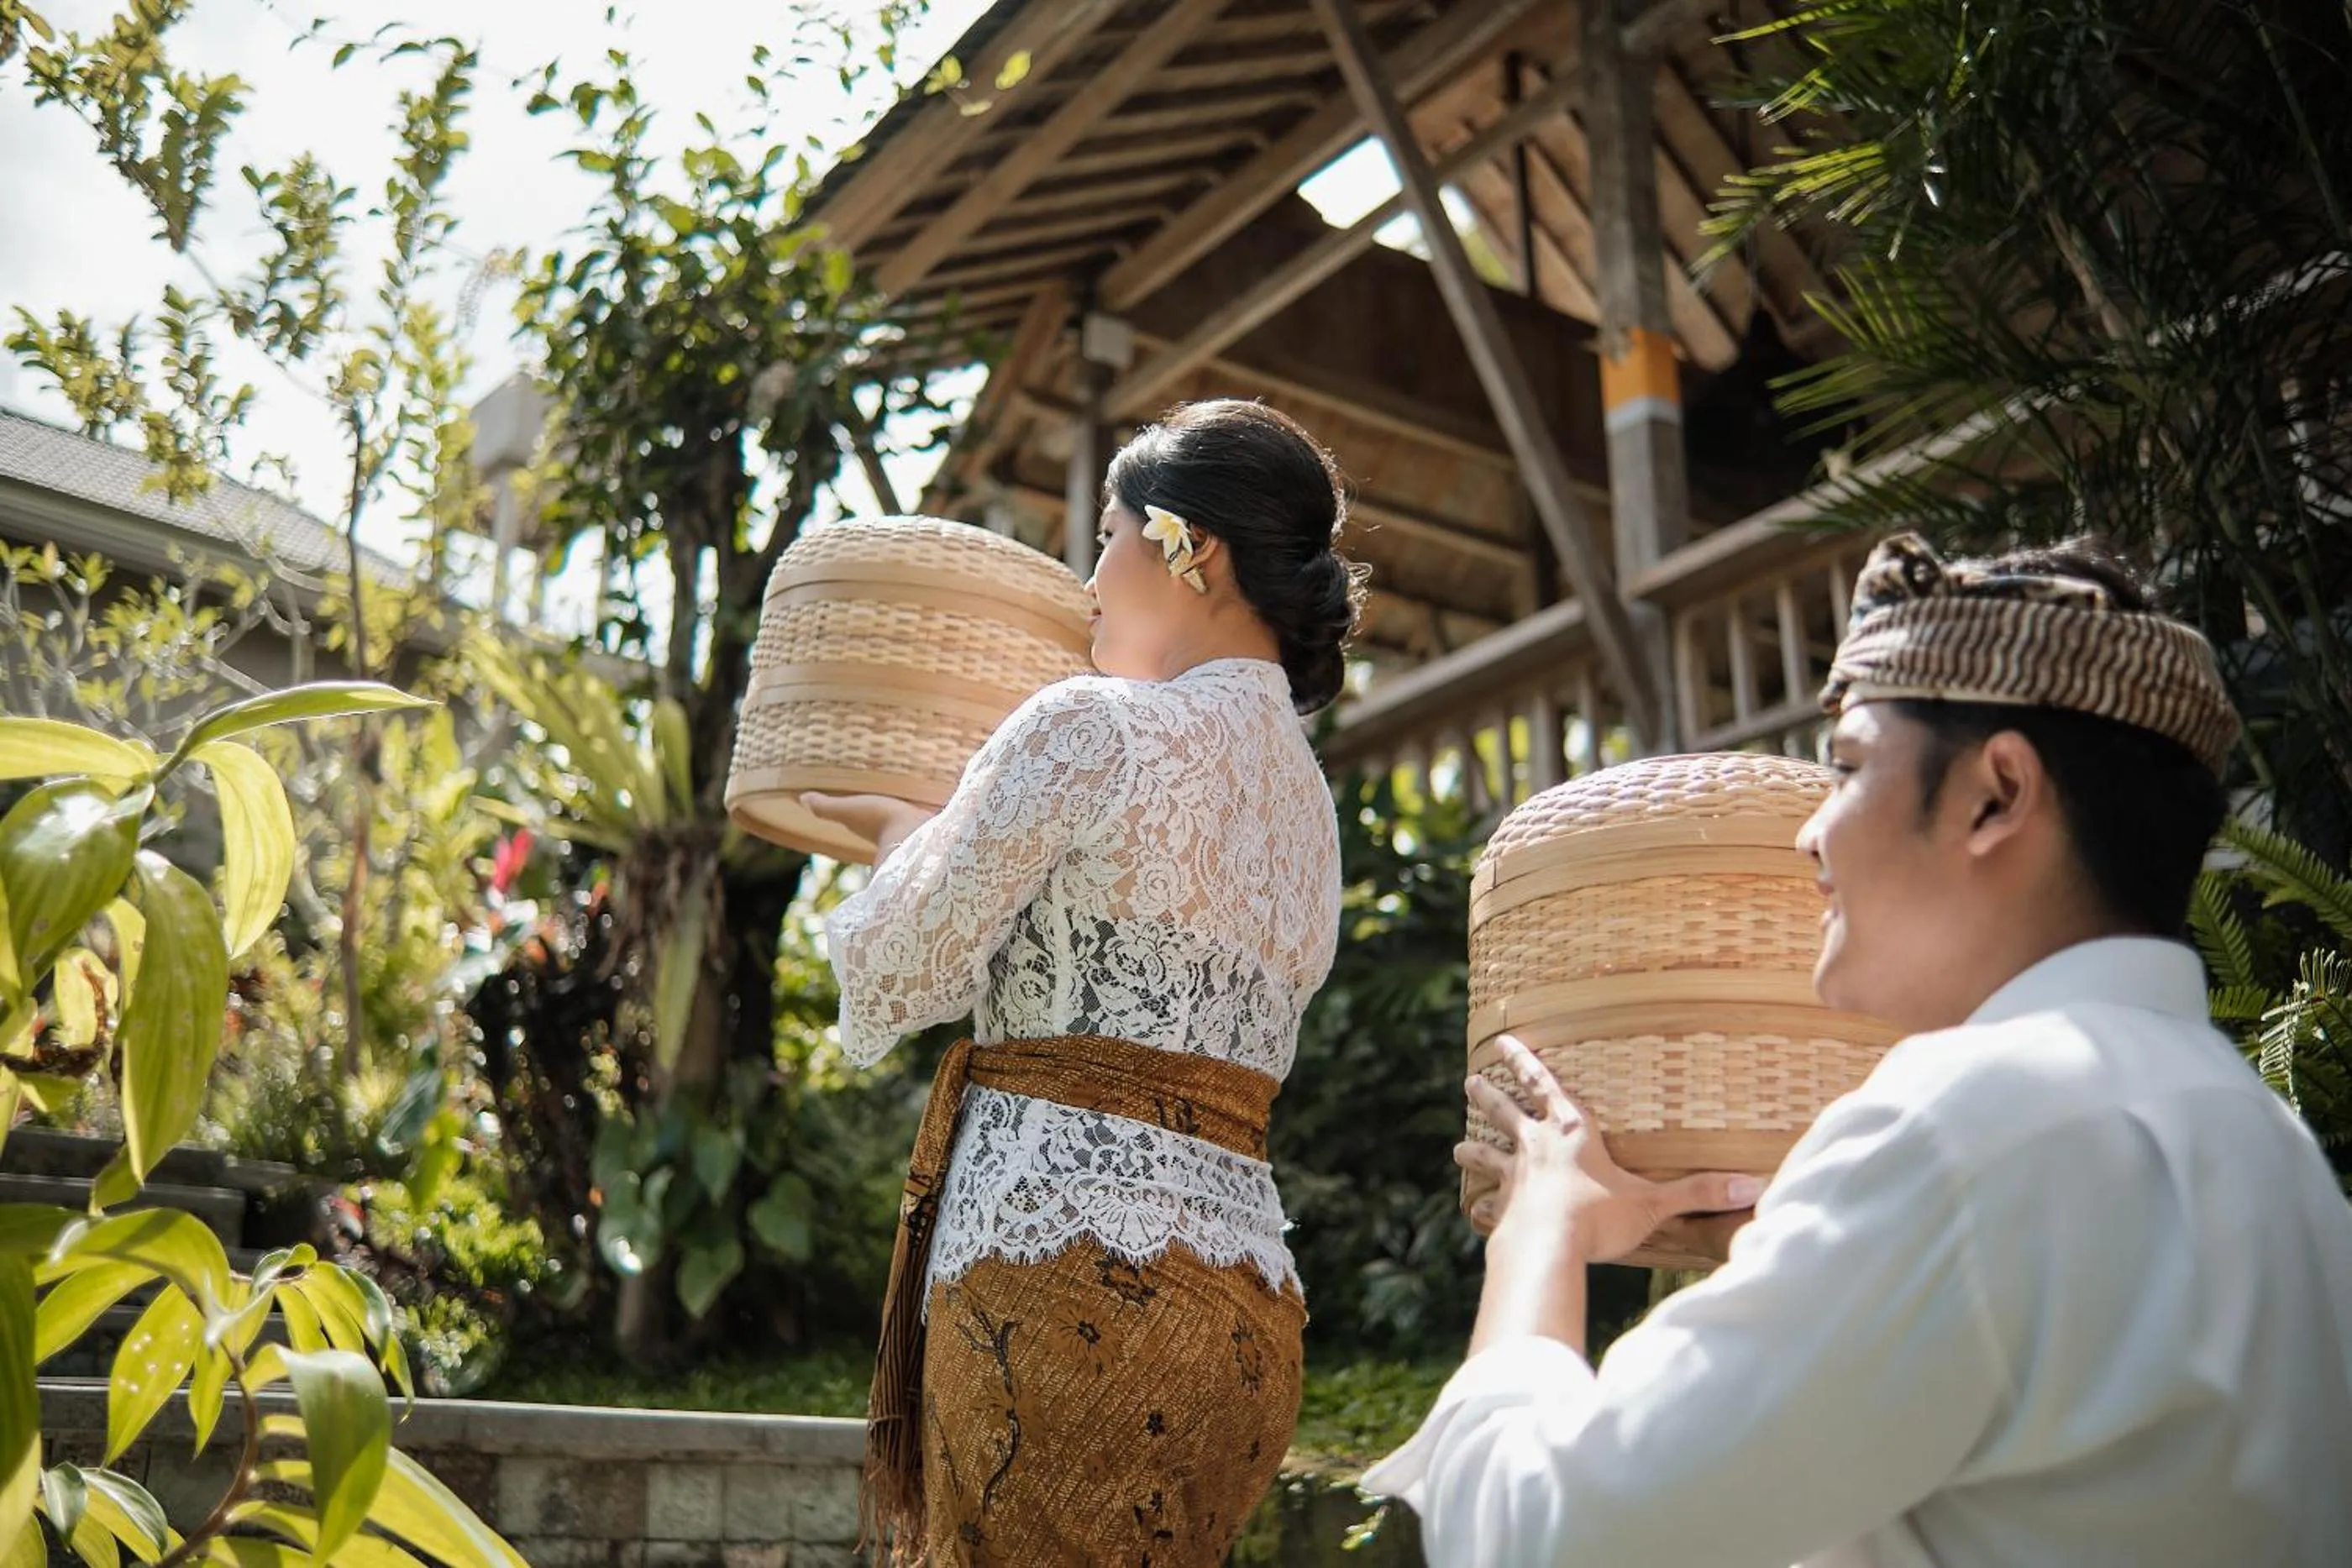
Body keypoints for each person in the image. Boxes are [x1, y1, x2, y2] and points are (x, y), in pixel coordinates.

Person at [1363, 532, 2352, 1565]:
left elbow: (1542, 1537)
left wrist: (1539, 1237)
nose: (1812, 834)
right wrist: (1762, 1243)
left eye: (1847, 768)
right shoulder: (2267, 1145)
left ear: (1996, 794)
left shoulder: (1968, 1125)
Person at [802, 399, 1366, 1566]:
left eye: (1106, 538)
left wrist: (901, 836)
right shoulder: (1312, 814)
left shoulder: (1091, 725)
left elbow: (905, 966)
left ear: (1189, 551)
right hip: (1247, 1309)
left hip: (1059, 1289)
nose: (1088, 580)